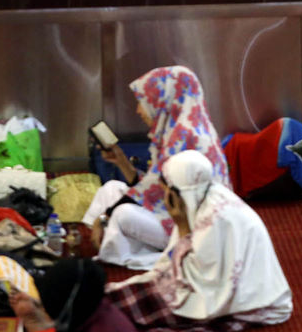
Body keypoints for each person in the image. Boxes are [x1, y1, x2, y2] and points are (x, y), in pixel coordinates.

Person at [105, 150, 293, 329]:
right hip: (228, 293)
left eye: (166, 191)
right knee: (119, 297)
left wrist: (181, 225)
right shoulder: (209, 196)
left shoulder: (215, 219)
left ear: (177, 193)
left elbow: (192, 279)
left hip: (244, 304)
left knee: (125, 309)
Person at [82, 66, 231, 269]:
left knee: (122, 213)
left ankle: (120, 243)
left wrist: (105, 216)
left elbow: (152, 191)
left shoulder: (186, 136)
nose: (139, 110)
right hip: (169, 208)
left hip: (190, 227)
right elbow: (154, 187)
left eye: (143, 102)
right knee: (111, 189)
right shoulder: (175, 130)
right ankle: (115, 239)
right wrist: (121, 161)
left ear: (163, 100)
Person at [8, 258, 137, 332]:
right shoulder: (88, 307)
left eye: (43, 301)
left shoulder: (104, 328)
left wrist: (33, 324)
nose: (41, 302)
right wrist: (35, 315)